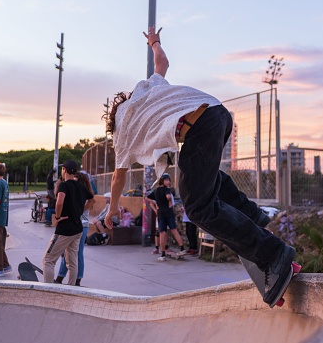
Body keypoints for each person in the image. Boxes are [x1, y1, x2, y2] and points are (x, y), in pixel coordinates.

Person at [104, 26, 294, 307]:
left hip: (201, 127)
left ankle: (272, 254)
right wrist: (154, 42)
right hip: (218, 114)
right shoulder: (146, 91)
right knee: (203, 177)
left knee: (197, 206)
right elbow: (162, 63)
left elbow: (118, 179)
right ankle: (251, 214)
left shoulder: (123, 129)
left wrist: (110, 211)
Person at [42, 160, 95, 285]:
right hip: (78, 229)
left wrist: (58, 216)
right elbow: (92, 200)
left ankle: (48, 290)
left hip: (65, 229)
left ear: (64, 170)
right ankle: (71, 288)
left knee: (48, 260)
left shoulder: (64, 185)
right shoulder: (81, 186)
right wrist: (79, 211)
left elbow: (59, 202)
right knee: (72, 262)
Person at [55, 171, 94, 286]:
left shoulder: (81, 193)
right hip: (82, 225)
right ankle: (70, 279)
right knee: (73, 254)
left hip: (78, 225)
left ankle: (63, 278)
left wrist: (79, 210)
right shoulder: (85, 193)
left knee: (71, 254)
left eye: (75, 180)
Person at [145, 173, 186, 260]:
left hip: (161, 213)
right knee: (173, 230)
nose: (168, 181)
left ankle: (163, 254)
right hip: (169, 212)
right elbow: (168, 197)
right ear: (162, 181)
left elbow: (147, 198)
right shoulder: (167, 189)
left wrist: (156, 203)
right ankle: (182, 248)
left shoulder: (156, 191)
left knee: (162, 233)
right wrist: (170, 201)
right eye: (167, 180)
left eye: (168, 180)